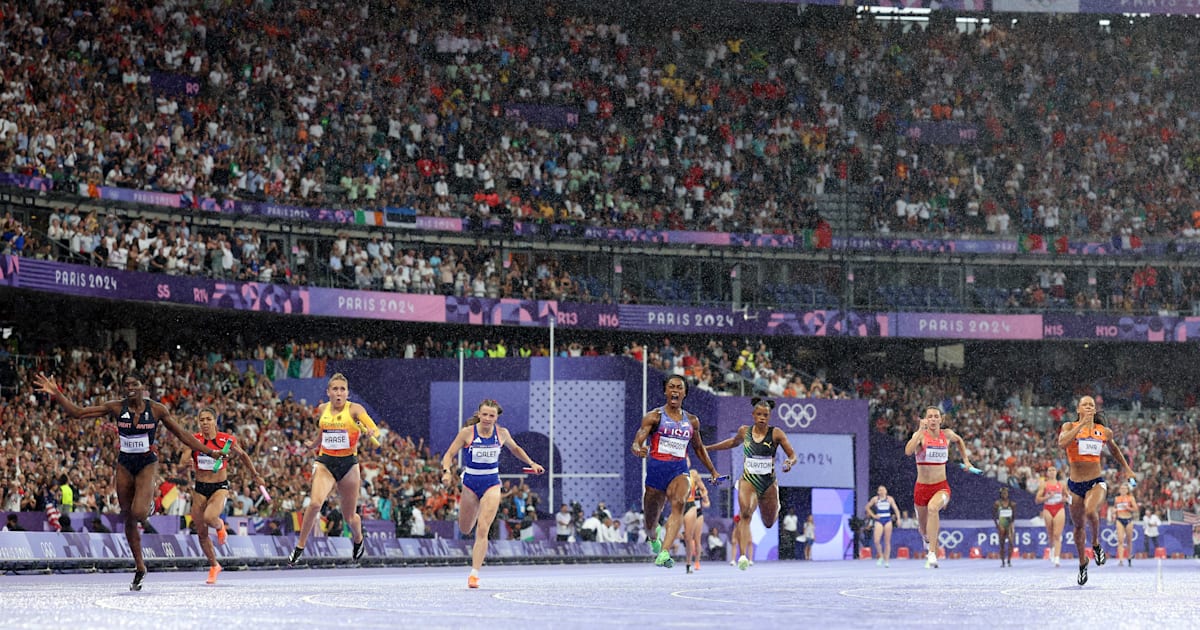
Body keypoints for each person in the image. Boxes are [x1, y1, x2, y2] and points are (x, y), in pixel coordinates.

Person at [34, 372, 225, 591]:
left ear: (143, 386)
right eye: (126, 385)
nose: (130, 388)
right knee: (128, 516)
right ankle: (139, 567)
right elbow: (77, 413)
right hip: (124, 463)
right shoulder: (116, 407)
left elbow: (183, 435)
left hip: (146, 463)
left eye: (134, 384)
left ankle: (150, 506)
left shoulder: (157, 410)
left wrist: (209, 452)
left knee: (140, 513)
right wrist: (56, 393)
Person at [441, 399, 544, 588]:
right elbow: (448, 455)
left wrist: (531, 463)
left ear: (497, 417)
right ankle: (476, 510)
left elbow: (516, 449)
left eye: (492, 415)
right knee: (465, 528)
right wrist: (447, 472)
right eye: (485, 414)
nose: (488, 418)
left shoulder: (502, 433)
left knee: (483, 529)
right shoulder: (467, 433)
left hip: (491, 484)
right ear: (479, 415)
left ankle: (474, 574)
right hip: (471, 484)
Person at [288, 373, 381, 566]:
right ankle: (300, 546)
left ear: (347, 393)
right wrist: (314, 444)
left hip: (348, 466)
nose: (339, 393)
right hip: (325, 462)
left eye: (342, 389)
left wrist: (372, 431)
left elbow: (373, 428)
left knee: (349, 517)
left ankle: (358, 539)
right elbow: (325, 430)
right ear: (328, 392)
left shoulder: (355, 409)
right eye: (335, 389)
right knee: (314, 504)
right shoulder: (322, 409)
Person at [631, 375, 720, 569]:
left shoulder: (692, 421)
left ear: (685, 393)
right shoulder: (654, 416)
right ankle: (653, 537)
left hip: (679, 469)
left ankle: (664, 552)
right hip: (656, 472)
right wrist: (637, 447)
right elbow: (639, 438)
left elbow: (698, 448)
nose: (675, 390)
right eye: (671, 387)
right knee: (650, 523)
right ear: (665, 392)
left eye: (679, 387)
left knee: (679, 503)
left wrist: (713, 470)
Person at [703, 396, 796, 570]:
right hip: (749, 480)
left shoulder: (776, 433)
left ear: (769, 417)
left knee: (769, 522)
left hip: (768, 482)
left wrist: (789, 462)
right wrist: (708, 448)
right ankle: (743, 556)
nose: (762, 417)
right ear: (753, 415)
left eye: (765, 415)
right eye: (759, 414)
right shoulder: (744, 431)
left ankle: (776, 508)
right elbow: (732, 443)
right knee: (745, 514)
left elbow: (792, 455)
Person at [181, 407, 267, 584]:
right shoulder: (194, 440)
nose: (205, 423)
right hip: (199, 488)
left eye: (208, 419)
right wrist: (186, 464)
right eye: (202, 420)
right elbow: (181, 463)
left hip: (219, 487)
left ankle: (220, 526)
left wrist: (255, 475)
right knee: (201, 532)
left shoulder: (226, 440)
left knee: (209, 517)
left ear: (215, 420)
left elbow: (243, 455)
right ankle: (214, 566)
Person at [1058, 395, 1136, 586]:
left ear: (1095, 409)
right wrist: (1081, 425)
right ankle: (1082, 563)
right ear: (1079, 409)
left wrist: (1126, 468)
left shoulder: (1104, 432)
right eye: (1084, 404)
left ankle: (1095, 544)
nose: (1088, 407)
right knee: (1077, 527)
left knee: (1091, 510)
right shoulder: (1069, 426)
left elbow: (1115, 450)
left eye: (1091, 405)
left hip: (1096, 482)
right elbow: (1062, 443)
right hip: (1075, 485)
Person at [904, 405, 975, 569]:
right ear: (925, 419)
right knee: (923, 530)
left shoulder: (947, 434)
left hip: (941, 487)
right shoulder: (920, 436)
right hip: (921, 488)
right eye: (930, 416)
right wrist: (918, 432)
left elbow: (960, 441)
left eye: (936, 416)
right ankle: (927, 540)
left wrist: (966, 460)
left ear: (941, 419)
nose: (933, 419)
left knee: (933, 508)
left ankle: (932, 553)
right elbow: (908, 451)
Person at [1035, 465, 1067, 567]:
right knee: (1050, 534)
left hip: (1059, 508)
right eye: (1050, 470)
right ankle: (1052, 548)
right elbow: (1037, 500)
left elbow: (1068, 497)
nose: (1052, 472)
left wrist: (1065, 499)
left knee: (1057, 534)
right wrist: (1047, 496)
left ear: (1056, 472)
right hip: (1048, 508)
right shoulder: (1044, 484)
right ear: (1047, 473)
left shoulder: (1062, 484)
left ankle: (1057, 558)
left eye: (1054, 470)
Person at [682, 468, 710, 574]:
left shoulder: (699, 487)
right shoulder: (686, 484)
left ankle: (697, 562)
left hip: (698, 513)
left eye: (696, 475)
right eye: (693, 475)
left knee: (697, 539)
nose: (695, 476)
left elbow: (707, 501)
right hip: (687, 508)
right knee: (688, 537)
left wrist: (705, 500)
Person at [866, 485, 900, 567]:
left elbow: (896, 509)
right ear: (878, 492)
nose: (882, 492)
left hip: (887, 520)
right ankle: (881, 556)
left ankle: (887, 560)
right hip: (879, 520)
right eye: (880, 490)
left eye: (883, 490)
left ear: (886, 491)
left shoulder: (890, 499)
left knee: (887, 541)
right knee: (876, 540)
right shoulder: (875, 499)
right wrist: (873, 516)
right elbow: (867, 507)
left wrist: (898, 519)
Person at [1112, 484, 1139, 567]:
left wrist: (1128, 508)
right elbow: (1114, 508)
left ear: (1127, 490)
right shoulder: (1117, 499)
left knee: (1129, 540)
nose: (1123, 490)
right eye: (1122, 488)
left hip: (1128, 519)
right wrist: (1114, 512)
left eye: (1125, 489)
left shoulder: (1130, 498)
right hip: (1119, 519)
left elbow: (1136, 509)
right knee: (1120, 540)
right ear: (1119, 490)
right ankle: (1120, 560)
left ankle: (1129, 557)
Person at [994, 486, 1016, 567]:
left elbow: (1014, 516)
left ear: (1008, 494)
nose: (1004, 495)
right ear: (1000, 494)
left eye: (1006, 493)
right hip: (1001, 524)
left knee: (1011, 543)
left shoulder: (1012, 504)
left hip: (1009, 524)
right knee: (1002, 543)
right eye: (1003, 493)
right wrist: (997, 525)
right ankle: (1003, 561)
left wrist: (1012, 524)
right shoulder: (997, 503)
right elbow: (994, 515)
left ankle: (1009, 560)